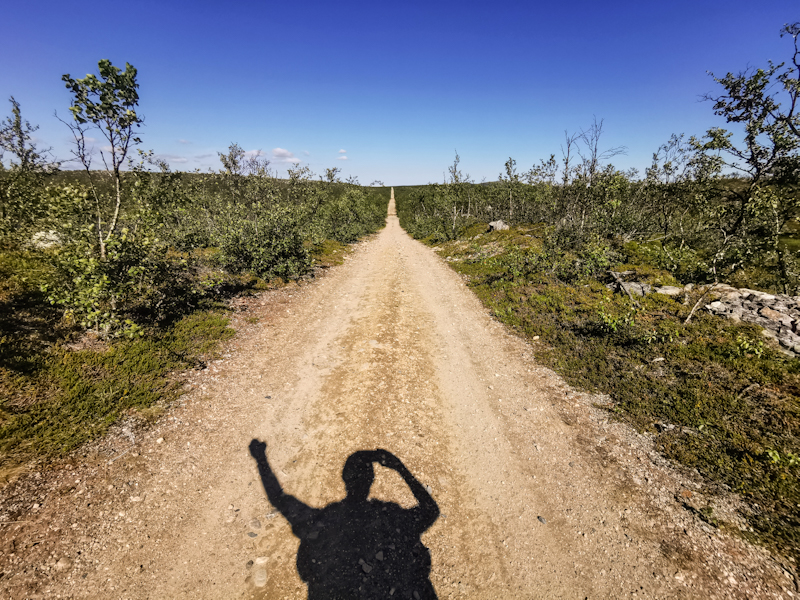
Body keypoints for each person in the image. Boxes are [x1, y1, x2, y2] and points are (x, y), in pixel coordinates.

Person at [249, 440, 439, 599]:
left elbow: (279, 499)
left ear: (344, 478)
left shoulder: (324, 520)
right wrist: (399, 468)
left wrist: (260, 459)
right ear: (371, 480)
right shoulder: (389, 516)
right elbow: (431, 510)